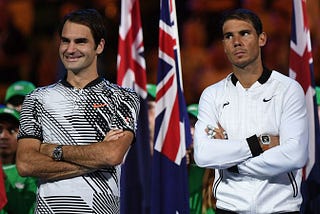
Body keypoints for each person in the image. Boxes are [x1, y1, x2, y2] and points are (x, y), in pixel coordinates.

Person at [15, 8, 140, 213]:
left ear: (99, 46)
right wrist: (95, 159)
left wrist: (52, 150)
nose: (70, 49)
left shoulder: (123, 97)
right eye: (65, 41)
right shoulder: (36, 99)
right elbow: (26, 164)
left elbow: (112, 155)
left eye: (80, 41)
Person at [193, 8, 308, 214]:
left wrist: (230, 162)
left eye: (244, 33)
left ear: (262, 38)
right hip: (229, 208)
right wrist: (261, 143)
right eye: (229, 36)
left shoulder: (289, 90)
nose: (236, 41)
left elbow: (295, 155)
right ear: (224, 46)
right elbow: (203, 155)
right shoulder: (212, 95)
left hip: (280, 208)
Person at [0, 107, 37, 214]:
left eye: (12, 130)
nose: (4, 136)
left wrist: (4, 182)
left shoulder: (30, 176)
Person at [187, 104, 216, 214]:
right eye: (187, 125)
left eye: (195, 124)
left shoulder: (221, 169)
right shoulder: (179, 167)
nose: (190, 131)